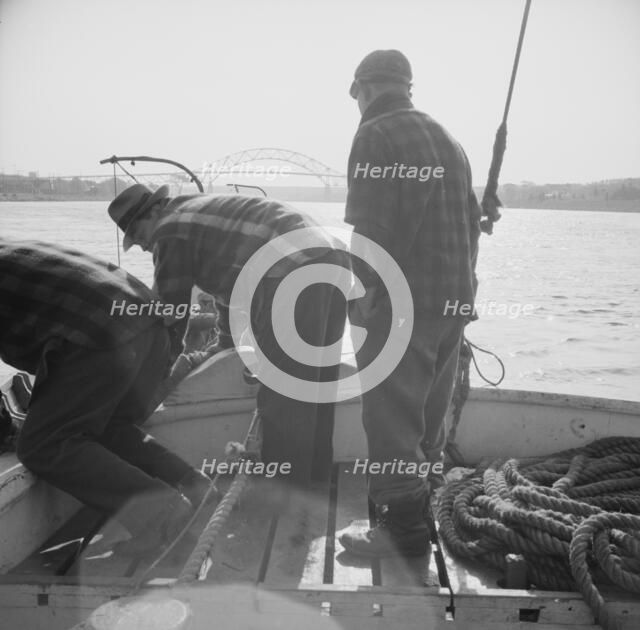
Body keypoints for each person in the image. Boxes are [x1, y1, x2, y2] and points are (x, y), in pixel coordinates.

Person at [108, 185, 348, 487]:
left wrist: (156, 373)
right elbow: (230, 289)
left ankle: (284, 495)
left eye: (140, 235)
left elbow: (170, 315)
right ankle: (314, 482)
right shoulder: (198, 213)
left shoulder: (169, 229)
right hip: (333, 260)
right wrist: (224, 343)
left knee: (282, 392)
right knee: (316, 382)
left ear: (155, 211)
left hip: (291, 268)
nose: (144, 246)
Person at [339, 50, 481, 557]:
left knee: (390, 416)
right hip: (455, 300)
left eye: (354, 95)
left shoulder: (375, 133)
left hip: (405, 305)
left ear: (364, 87)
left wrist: (363, 297)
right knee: (427, 412)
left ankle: (402, 534)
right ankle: (422, 507)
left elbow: (372, 230)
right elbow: (471, 219)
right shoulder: (449, 138)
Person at [0, 238, 215, 556]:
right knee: (109, 425)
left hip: (97, 333)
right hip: (147, 322)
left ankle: (165, 516)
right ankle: (193, 483)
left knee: (44, 444)